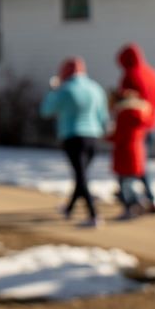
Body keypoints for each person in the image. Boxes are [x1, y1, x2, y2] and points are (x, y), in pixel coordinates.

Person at [40, 57, 110, 227]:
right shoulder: (95, 88)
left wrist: (53, 90)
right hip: (93, 137)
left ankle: (93, 215)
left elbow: (46, 110)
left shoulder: (65, 89)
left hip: (73, 136)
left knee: (81, 177)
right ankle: (69, 208)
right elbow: (103, 116)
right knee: (81, 176)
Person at [116, 43, 155, 214]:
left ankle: (131, 200)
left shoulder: (130, 76)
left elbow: (126, 103)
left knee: (128, 164)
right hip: (150, 124)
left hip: (133, 126)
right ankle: (149, 197)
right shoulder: (153, 74)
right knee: (140, 163)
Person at [108, 90, 152, 219]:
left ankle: (133, 205)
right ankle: (141, 202)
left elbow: (119, 135)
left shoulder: (124, 114)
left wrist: (107, 137)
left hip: (125, 151)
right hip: (138, 150)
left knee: (125, 182)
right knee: (130, 180)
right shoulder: (142, 112)